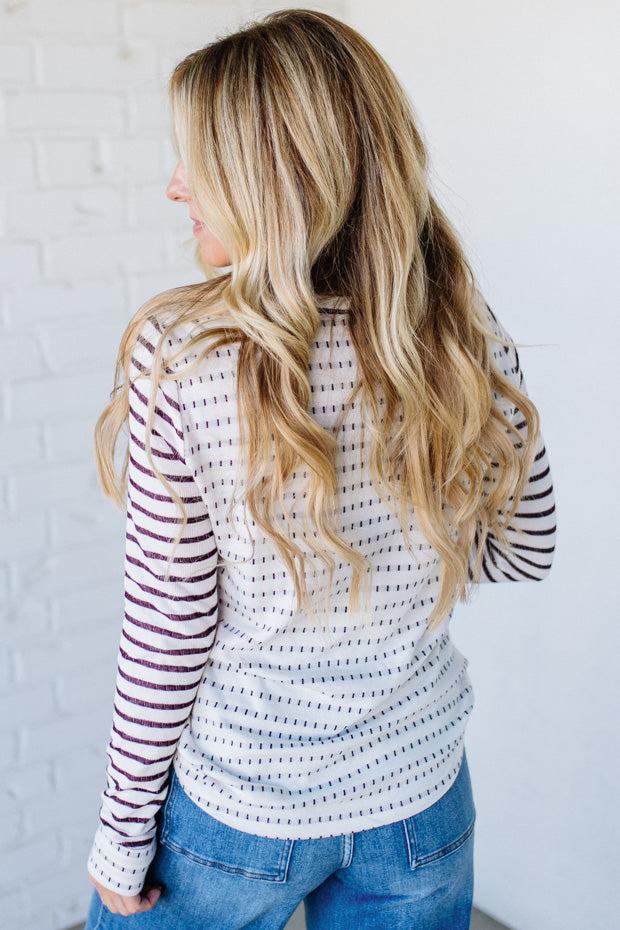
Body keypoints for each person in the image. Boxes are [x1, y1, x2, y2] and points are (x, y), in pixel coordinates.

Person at [84, 9, 556, 930]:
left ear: (273, 182)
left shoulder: (180, 353)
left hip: (241, 816)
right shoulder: (458, 333)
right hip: (420, 801)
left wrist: (119, 832)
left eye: (199, 162)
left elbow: (167, 626)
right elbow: (522, 548)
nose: (175, 186)